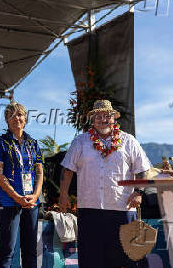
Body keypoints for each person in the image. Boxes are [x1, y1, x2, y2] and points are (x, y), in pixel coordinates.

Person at [59, 100, 152, 268]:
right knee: (91, 259)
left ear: (114, 119)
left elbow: (143, 169)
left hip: (123, 209)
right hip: (90, 210)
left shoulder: (128, 141)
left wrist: (138, 192)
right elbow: (67, 170)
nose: (103, 119)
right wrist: (63, 194)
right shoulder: (80, 141)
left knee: (126, 260)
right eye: (98, 116)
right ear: (92, 120)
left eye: (107, 116)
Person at [0, 101, 44, 268]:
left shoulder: (33, 143)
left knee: (30, 250)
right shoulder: (0, 142)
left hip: (31, 202)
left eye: (19, 114)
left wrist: (35, 195)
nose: (16, 118)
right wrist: (16, 196)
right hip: (9, 202)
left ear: (25, 119)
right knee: (7, 250)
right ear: (7, 120)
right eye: (11, 115)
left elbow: (40, 172)